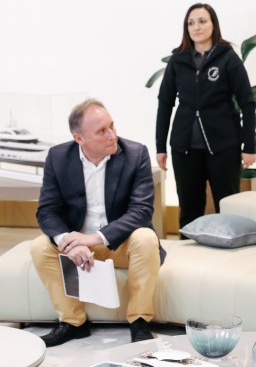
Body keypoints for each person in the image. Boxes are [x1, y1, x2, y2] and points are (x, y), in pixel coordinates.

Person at [30, 99, 164, 346]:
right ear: (79, 138)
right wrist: (70, 243)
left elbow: (141, 211)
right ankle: (73, 322)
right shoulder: (58, 157)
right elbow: (47, 211)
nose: (112, 135)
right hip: (78, 247)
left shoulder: (136, 154)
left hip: (119, 244)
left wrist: (92, 239)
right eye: (102, 131)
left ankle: (140, 321)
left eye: (112, 126)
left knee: (146, 237)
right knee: (39, 247)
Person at [155, 3, 256, 232]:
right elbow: (165, 104)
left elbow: (248, 103)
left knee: (227, 205)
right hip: (184, 148)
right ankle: (189, 262)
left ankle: (230, 258)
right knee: (190, 209)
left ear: (213, 24)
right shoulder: (177, 61)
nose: (196, 27)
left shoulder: (228, 58)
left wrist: (249, 146)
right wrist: (160, 147)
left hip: (223, 147)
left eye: (202, 21)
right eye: (191, 23)